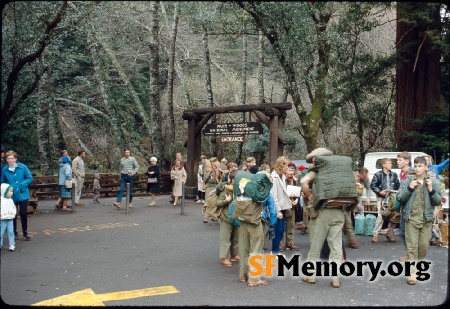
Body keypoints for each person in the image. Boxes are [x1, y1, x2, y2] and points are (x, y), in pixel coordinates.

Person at [301, 147, 356, 288]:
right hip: (338, 212)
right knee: (336, 246)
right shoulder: (338, 172)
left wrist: (309, 195)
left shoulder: (317, 171)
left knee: (316, 245)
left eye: (313, 161)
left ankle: (311, 275)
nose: (312, 164)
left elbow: (303, 182)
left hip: (322, 213)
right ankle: (335, 278)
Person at [396, 156, 442, 285]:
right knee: (411, 248)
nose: (417, 168)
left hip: (426, 219)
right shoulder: (408, 180)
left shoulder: (432, 181)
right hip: (411, 219)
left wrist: (431, 190)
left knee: (423, 247)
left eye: (420, 166)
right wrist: (410, 188)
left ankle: (417, 265)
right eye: (415, 166)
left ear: (426, 167)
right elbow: (400, 198)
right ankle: (412, 273)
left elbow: (438, 200)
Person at [1, 150, 33, 241]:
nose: (10, 160)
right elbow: (3, 181)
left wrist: (22, 185)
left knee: (23, 213)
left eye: (12, 158)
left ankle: (25, 232)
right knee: (13, 214)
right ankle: (14, 233)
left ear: (15, 158)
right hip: (11, 195)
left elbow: (29, 177)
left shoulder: (23, 167)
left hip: (23, 193)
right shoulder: (5, 169)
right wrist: (8, 188)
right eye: (8, 158)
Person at [370, 158, 400, 243]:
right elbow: (373, 185)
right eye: (389, 163)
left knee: (395, 217)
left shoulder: (394, 174)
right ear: (383, 165)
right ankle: (375, 235)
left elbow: (398, 185)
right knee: (381, 217)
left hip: (392, 199)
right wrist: (379, 192)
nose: (391, 165)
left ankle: (389, 234)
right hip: (381, 198)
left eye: (391, 163)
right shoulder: (378, 174)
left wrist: (397, 195)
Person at [216, 169, 239, 267]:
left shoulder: (240, 189)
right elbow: (218, 202)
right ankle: (224, 257)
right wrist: (226, 200)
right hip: (226, 216)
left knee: (236, 237)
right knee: (225, 238)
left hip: (237, 216)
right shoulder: (226, 189)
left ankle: (233, 255)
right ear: (233, 180)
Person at [269, 156, 292, 254]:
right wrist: (277, 210)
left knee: (281, 230)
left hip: (282, 207)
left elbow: (283, 192)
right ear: (281, 166)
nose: (288, 168)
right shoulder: (274, 177)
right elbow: (274, 196)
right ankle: (274, 251)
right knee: (278, 230)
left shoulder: (281, 176)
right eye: (286, 165)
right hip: (277, 208)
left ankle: (275, 251)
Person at [396, 151, 413, 262]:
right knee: (403, 233)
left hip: (411, 208)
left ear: (407, 161)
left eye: (400, 160)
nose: (397, 162)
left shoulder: (411, 173)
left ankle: (412, 256)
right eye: (397, 160)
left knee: (408, 233)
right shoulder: (401, 173)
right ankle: (409, 254)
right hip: (404, 206)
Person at [284, 161, 300, 251]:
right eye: (289, 170)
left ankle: (289, 243)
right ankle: (280, 244)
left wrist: (297, 199)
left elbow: (297, 191)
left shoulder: (295, 180)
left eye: (292, 170)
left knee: (291, 225)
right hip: (284, 204)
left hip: (292, 205)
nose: (291, 172)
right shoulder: (282, 179)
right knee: (282, 226)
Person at [202, 158, 220, 223]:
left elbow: (220, 178)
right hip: (209, 186)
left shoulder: (218, 170)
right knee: (207, 201)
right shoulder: (208, 170)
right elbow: (204, 179)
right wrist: (208, 173)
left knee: (215, 202)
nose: (217, 163)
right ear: (212, 163)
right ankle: (205, 217)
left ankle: (213, 216)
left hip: (216, 186)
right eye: (215, 162)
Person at [1, 183, 17, 251]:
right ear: (4, 191)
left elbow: (14, 207)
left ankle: (12, 244)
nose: (11, 193)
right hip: (2, 219)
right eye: (10, 191)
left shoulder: (11, 200)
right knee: (0, 233)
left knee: (11, 232)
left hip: (10, 218)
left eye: (12, 191)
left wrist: (13, 213)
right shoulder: (1, 200)